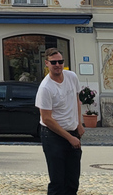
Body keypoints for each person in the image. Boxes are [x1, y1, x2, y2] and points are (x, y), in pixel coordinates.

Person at [35, 47, 84, 195]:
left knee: (72, 180)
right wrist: (70, 138)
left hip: (73, 132)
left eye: (60, 61)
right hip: (53, 136)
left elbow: (77, 100)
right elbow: (46, 118)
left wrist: (79, 123)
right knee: (58, 182)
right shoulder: (45, 87)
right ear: (47, 64)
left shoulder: (71, 77)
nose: (57, 65)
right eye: (54, 62)